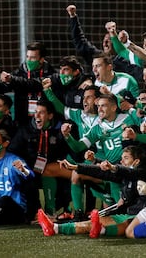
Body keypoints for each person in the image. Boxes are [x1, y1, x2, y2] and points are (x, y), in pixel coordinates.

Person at [37, 145, 146, 238]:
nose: (121, 161)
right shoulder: (126, 173)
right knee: (93, 222)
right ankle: (55, 228)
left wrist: (113, 167)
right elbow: (102, 172)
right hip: (128, 214)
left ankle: (101, 231)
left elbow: (128, 172)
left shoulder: (145, 172)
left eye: (125, 158)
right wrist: (76, 167)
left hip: (142, 216)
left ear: (136, 161)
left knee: (123, 226)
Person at [61, 93, 141, 203]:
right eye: (98, 106)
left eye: (103, 106)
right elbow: (78, 147)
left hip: (132, 166)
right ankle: (80, 213)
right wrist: (67, 136)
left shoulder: (128, 119)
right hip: (111, 168)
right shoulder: (97, 128)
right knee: (80, 173)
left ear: (114, 107)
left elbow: (145, 123)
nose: (99, 109)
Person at [43, 83, 101, 219]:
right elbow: (60, 108)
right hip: (81, 158)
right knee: (48, 169)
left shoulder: (106, 118)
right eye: (83, 97)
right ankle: (52, 212)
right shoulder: (79, 114)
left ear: (98, 100)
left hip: (101, 162)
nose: (84, 101)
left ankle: (85, 212)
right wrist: (47, 90)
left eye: (88, 97)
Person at [7, 99, 71, 220]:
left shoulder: (59, 131)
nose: (36, 115)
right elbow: (12, 151)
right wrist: (20, 164)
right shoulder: (25, 130)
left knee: (63, 179)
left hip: (51, 169)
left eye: (41, 112)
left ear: (50, 115)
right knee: (28, 181)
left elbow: (66, 152)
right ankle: (34, 213)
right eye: (36, 112)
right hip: (29, 169)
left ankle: (55, 211)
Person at [66, 4, 143, 81]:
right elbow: (80, 42)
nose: (105, 43)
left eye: (108, 41)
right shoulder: (98, 56)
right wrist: (73, 17)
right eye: (104, 41)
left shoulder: (128, 62)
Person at [0, 41, 57, 126]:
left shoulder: (51, 74)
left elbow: (33, 84)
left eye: (33, 58)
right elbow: (0, 89)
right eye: (27, 57)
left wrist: (12, 80)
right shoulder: (19, 73)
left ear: (41, 59)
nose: (29, 60)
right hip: (23, 121)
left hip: (45, 121)